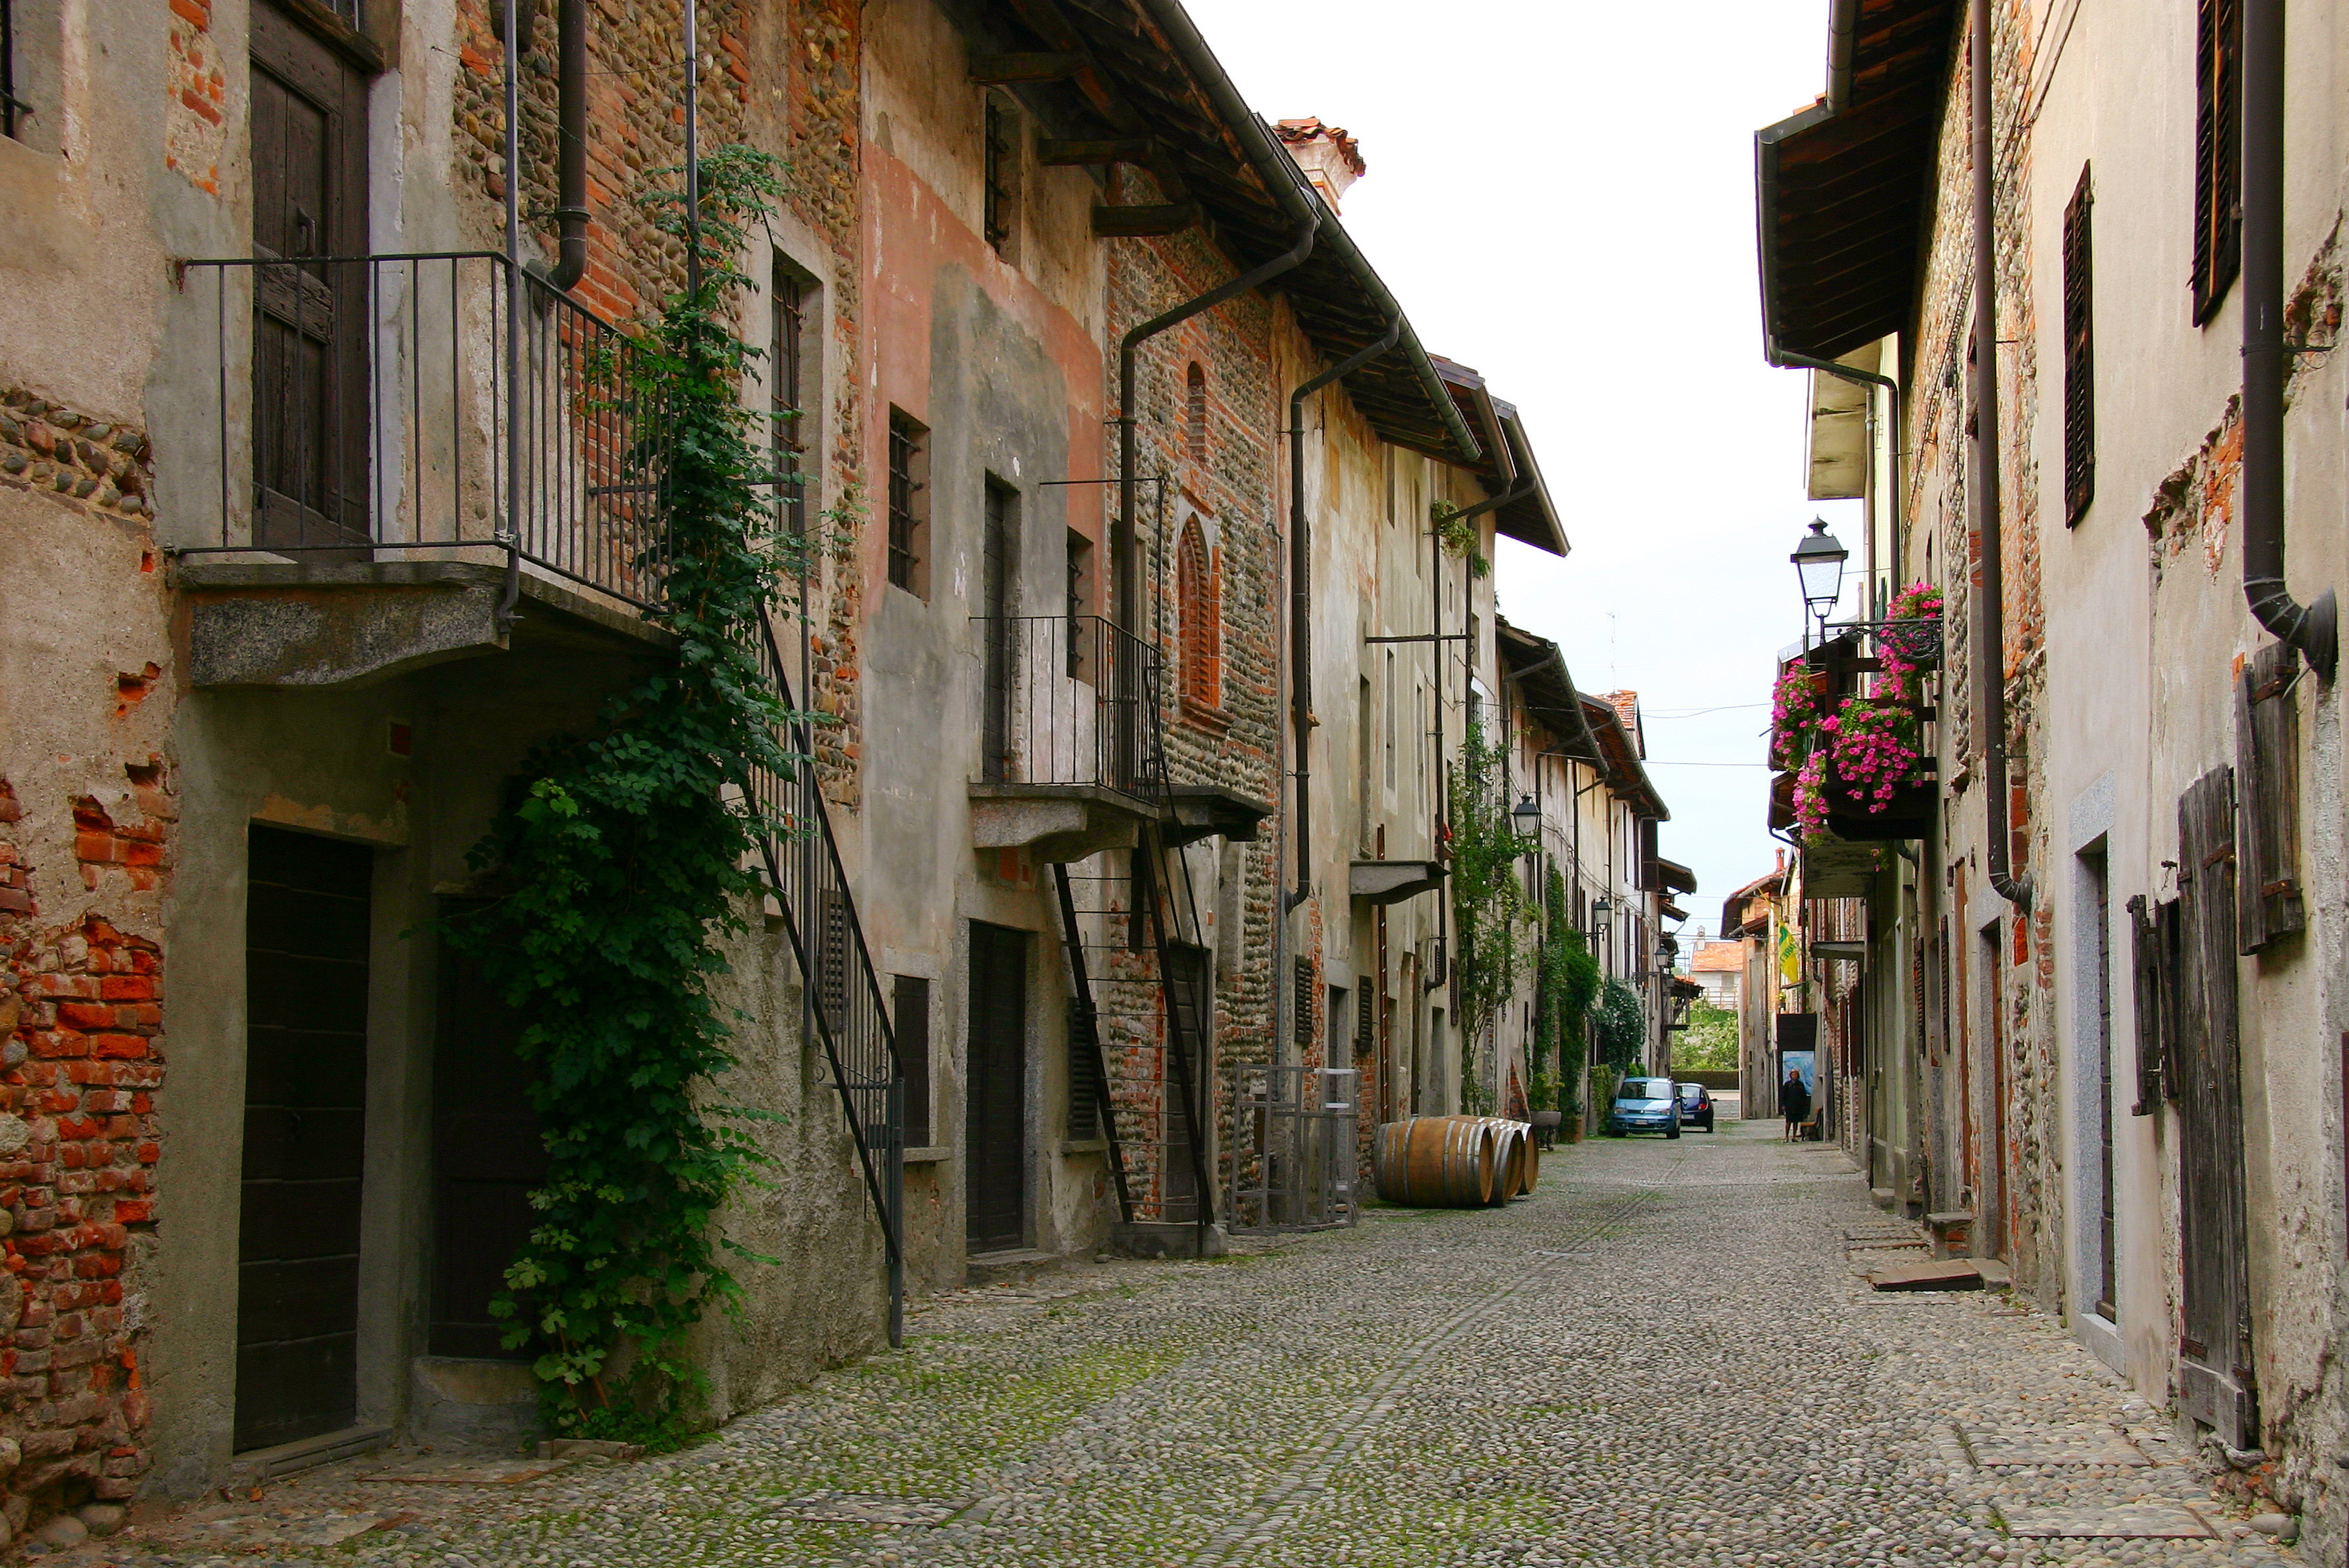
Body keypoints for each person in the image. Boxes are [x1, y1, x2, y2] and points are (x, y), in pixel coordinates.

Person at [1781, 1068, 1811, 1142]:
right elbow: (1783, 1095)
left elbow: (1803, 1095)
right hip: (1789, 1106)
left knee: (1796, 1122)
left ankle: (1794, 1136)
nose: (1794, 1076)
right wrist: (1783, 1105)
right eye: (1793, 1075)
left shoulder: (1800, 1084)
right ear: (1791, 1076)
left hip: (1798, 1106)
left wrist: (1803, 1105)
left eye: (1796, 1075)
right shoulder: (1787, 1085)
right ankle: (1786, 1136)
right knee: (1788, 1121)